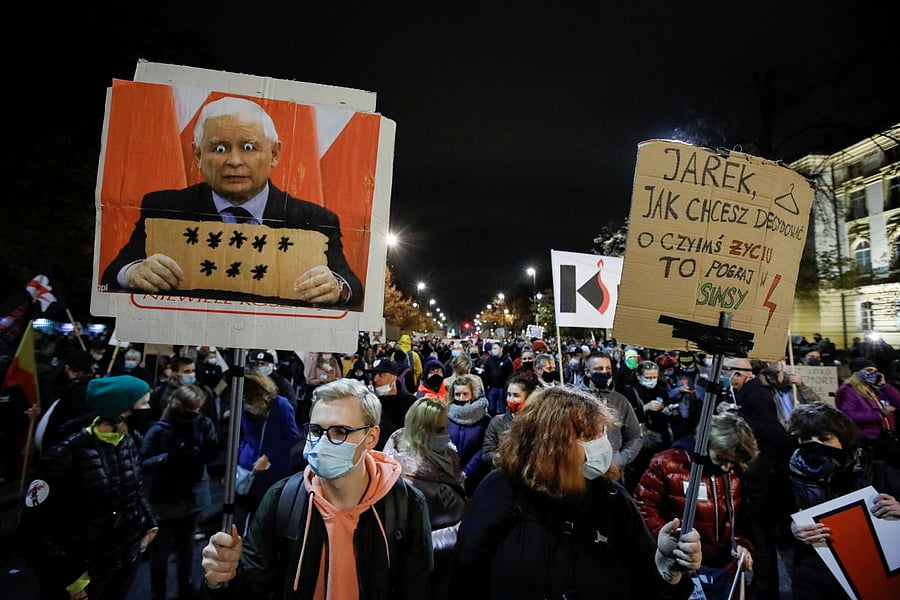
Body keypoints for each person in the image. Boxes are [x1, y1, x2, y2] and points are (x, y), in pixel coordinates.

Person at [100, 96, 362, 307]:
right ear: (198, 154)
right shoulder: (165, 207)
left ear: (274, 153)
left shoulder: (314, 220)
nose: (234, 161)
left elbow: (351, 285)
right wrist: (133, 272)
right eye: (219, 148)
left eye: (248, 147)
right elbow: (114, 272)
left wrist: (335, 287)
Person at [450, 385, 702, 599]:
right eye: (586, 436)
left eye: (600, 434)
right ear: (550, 445)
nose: (601, 445)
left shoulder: (613, 498)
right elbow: (466, 575)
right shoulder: (501, 490)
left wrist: (665, 569)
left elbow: (646, 583)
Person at [201, 378, 433, 597]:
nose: (323, 443)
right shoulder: (282, 500)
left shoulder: (406, 505)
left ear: (371, 438)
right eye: (315, 431)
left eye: (340, 432)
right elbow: (252, 589)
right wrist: (220, 580)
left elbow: (417, 589)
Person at [18, 375, 159, 599]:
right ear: (121, 410)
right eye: (143, 403)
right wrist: (72, 579)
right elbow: (34, 528)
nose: (148, 409)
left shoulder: (129, 440)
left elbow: (134, 489)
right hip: (82, 573)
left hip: (122, 562)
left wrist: (149, 524)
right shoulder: (64, 455)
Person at [634, 413, 759, 600]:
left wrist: (742, 544)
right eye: (723, 459)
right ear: (708, 443)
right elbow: (644, 508)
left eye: (732, 463)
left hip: (722, 568)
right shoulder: (667, 464)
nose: (727, 467)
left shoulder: (733, 473)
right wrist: (669, 544)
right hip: (683, 562)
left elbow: (739, 517)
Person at [786, 402, 900, 599]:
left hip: (869, 578)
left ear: (842, 440)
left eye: (824, 438)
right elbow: (770, 526)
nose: (815, 445)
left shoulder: (878, 471)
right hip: (814, 578)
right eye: (806, 439)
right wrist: (793, 530)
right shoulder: (786, 474)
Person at [722, 356, 796, 600]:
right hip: (761, 475)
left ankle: (764, 590)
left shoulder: (755, 395)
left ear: (740, 374)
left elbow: (771, 431)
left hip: (762, 478)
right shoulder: (749, 393)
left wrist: (738, 419)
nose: (724, 375)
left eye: (726, 371)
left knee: (760, 537)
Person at [141, 384, 219, 600]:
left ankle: (186, 587)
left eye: (198, 408)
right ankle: (159, 592)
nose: (196, 412)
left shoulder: (204, 424)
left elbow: (213, 450)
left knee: (187, 548)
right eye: (192, 408)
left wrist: (198, 455)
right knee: (161, 550)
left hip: (193, 496)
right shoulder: (160, 429)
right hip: (166, 498)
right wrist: (169, 458)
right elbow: (144, 461)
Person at [383, 397, 467, 600]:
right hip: (428, 567)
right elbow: (409, 540)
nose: (445, 435)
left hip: (451, 561)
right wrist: (458, 533)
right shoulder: (404, 480)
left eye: (445, 428)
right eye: (439, 430)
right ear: (421, 430)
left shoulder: (445, 454)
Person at [233, 371, 301, 535]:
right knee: (238, 518)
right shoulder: (245, 407)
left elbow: (292, 437)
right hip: (245, 470)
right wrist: (239, 458)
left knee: (262, 519)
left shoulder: (281, 406)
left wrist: (268, 456)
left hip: (271, 471)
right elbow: (242, 436)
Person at [576, 350, 644, 482]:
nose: (604, 372)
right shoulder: (574, 399)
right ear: (587, 372)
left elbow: (635, 436)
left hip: (612, 475)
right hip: (580, 474)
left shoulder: (620, 401)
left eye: (608, 368)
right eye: (599, 369)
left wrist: (619, 460)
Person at [835, 356, 900, 493]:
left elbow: (898, 402)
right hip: (866, 442)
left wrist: (884, 386)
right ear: (857, 372)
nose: (873, 373)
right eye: (868, 370)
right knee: (875, 479)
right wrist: (879, 414)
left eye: (875, 371)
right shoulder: (848, 390)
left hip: (883, 440)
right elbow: (848, 415)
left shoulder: (873, 389)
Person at [481, 370, 539, 468]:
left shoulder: (537, 422)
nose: (510, 399)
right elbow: (486, 453)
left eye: (516, 395)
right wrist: (502, 460)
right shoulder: (497, 421)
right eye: (509, 395)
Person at [448, 374, 491, 495]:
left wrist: (466, 472)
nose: (461, 398)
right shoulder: (445, 416)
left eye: (465, 394)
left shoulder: (484, 419)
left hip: (475, 476)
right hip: (448, 474)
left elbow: (484, 448)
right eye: (457, 394)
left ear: (473, 394)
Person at [367, 357, 417, 450]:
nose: (375, 379)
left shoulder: (411, 403)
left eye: (381, 375)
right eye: (373, 374)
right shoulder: (370, 403)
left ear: (394, 376)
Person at [482, 342, 513, 416]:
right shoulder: (489, 360)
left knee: (501, 409)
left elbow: (510, 375)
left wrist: (507, 387)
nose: (493, 350)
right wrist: (487, 385)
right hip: (492, 387)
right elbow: (486, 373)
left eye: (496, 348)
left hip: (502, 388)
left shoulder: (507, 361)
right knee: (491, 408)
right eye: (493, 349)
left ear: (501, 349)